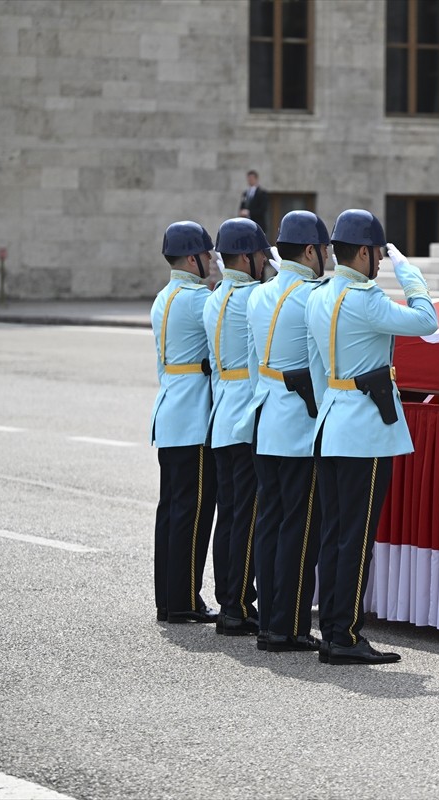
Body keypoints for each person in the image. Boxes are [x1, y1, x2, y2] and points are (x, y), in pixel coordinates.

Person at [305, 209, 439, 665]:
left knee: (335, 533)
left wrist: (332, 408)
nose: (381, 263)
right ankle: (345, 635)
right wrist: (412, 275)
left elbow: (318, 368)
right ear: (362, 252)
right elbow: (427, 320)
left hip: (332, 425)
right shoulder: (365, 298)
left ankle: (333, 630)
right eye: (379, 255)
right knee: (358, 536)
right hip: (364, 433)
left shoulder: (319, 296)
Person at [235, 210, 328, 653]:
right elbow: (320, 366)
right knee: (300, 526)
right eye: (324, 249)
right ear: (311, 250)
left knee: (268, 522)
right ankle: (287, 626)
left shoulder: (259, 295)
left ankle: (269, 620)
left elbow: (255, 364)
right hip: (299, 425)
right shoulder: (313, 296)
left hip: (265, 417)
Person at [203, 218, 270, 636]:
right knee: (245, 514)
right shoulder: (255, 297)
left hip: (221, 411)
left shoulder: (214, 298)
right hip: (245, 412)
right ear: (247, 257)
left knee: (228, 514)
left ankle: (228, 597)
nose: (266, 260)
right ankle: (238, 607)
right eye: (262, 253)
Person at [151, 221, 217, 624]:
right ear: (192, 258)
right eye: (208, 254)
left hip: (169, 411)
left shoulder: (163, 297)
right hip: (193, 417)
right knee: (193, 513)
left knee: (171, 512)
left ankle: (169, 598)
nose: (211, 261)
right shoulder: (197, 300)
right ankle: (185, 601)